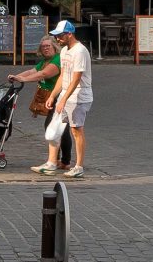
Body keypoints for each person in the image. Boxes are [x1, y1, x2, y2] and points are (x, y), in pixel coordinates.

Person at [12, 36, 71, 172]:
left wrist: (23, 80)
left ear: (54, 47)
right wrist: (17, 76)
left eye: (48, 46)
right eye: (43, 46)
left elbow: (43, 74)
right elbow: (32, 71)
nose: (45, 48)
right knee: (60, 129)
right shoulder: (45, 61)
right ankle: (61, 161)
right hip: (51, 98)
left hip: (60, 97)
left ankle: (59, 161)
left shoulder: (57, 60)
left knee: (55, 128)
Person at [46, 19, 93, 179]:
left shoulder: (80, 51)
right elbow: (63, 76)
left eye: (60, 35)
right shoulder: (64, 51)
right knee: (56, 127)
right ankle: (52, 162)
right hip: (66, 94)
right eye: (56, 36)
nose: (57, 39)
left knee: (76, 130)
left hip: (79, 96)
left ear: (69, 34)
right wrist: (53, 95)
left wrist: (63, 100)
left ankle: (78, 166)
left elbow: (76, 78)